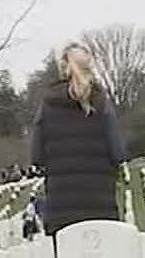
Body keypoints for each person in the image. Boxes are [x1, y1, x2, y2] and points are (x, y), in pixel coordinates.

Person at [29, 42, 127, 236]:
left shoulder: (47, 105)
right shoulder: (101, 102)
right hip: (99, 197)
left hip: (62, 200)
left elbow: (37, 156)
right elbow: (118, 152)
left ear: (62, 68)